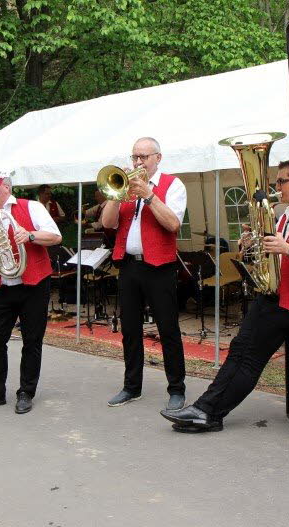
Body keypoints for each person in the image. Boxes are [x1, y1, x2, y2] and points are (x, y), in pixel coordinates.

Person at [160, 158, 289, 431]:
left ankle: (209, 412)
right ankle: (205, 408)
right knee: (240, 352)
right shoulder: (287, 215)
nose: (276, 187)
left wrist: (285, 247)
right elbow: (276, 254)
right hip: (277, 294)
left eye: (281, 181)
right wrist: (254, 243)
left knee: (248, 358)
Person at [0, 172, 61, 415]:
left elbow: (56, 236)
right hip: (4, 286)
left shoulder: (32, 207)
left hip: (34, 284)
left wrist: (30, 236)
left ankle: (26, 391)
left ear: (4, 187)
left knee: (32, 340)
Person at [101, 136, 188, 410]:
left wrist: (148, 195)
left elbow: (173, 224)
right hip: (129, 265)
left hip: (160, 267)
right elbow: (107, 223)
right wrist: (117, 196)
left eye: (144, 157)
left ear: (158, 158)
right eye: (134, 157)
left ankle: (176, 388)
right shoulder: (124, 187)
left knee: (168, 329)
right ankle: (131, 387)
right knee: (130, 329)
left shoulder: (173, 185)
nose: (138, 162)